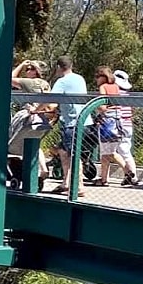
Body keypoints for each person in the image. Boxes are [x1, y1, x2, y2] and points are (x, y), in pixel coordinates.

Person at [49, 55, 87, 194]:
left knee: (73, 155)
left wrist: (37, 109)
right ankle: (66, 182)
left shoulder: (62, 81)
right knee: (63, 151)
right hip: (83, 120)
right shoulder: (80, 78)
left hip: (72, 123)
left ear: (59, 67)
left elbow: (51, 101)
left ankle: (79, 186)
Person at [89, 65, 125, 187]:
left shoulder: (103, 87)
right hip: (117, 120)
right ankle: (103, 179)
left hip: (107, 121)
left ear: (102, 77)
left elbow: (102, 106)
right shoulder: (116, 87)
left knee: (108, 152)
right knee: (106, 153)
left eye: (97, 76)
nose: (96, 79)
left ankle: (128, 172)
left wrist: (95, 106)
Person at [110, 70, 139, 187]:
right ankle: (129, 175)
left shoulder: (116, 94)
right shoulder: (128, 95)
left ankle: (133, 176)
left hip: (120, 124)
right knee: (124, 151)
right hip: (128, 124)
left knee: (123, 151)